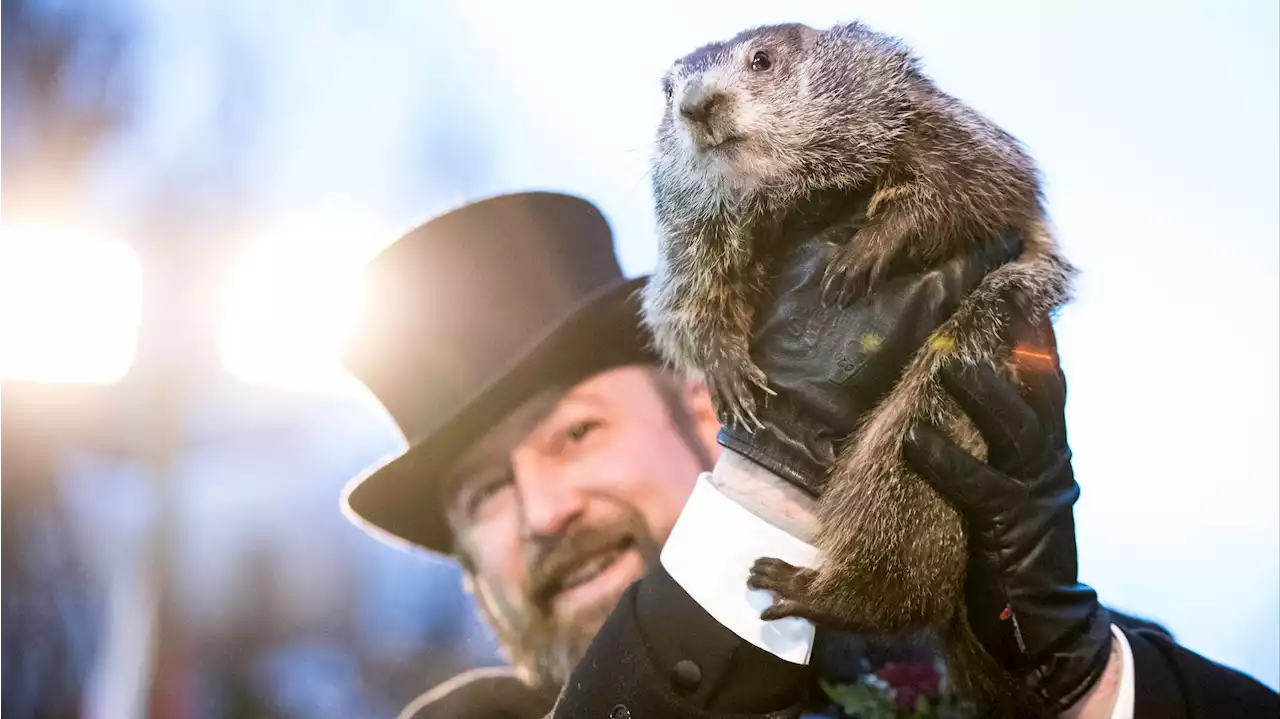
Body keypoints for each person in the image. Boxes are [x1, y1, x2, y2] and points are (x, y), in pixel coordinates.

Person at [336, 191, 1278, 718]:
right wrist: (771, 490)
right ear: (468, 571)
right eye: (485, 495)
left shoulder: (990, 650)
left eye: (577, 434)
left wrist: (1078, 687)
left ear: (707, 414)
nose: (543, 512)